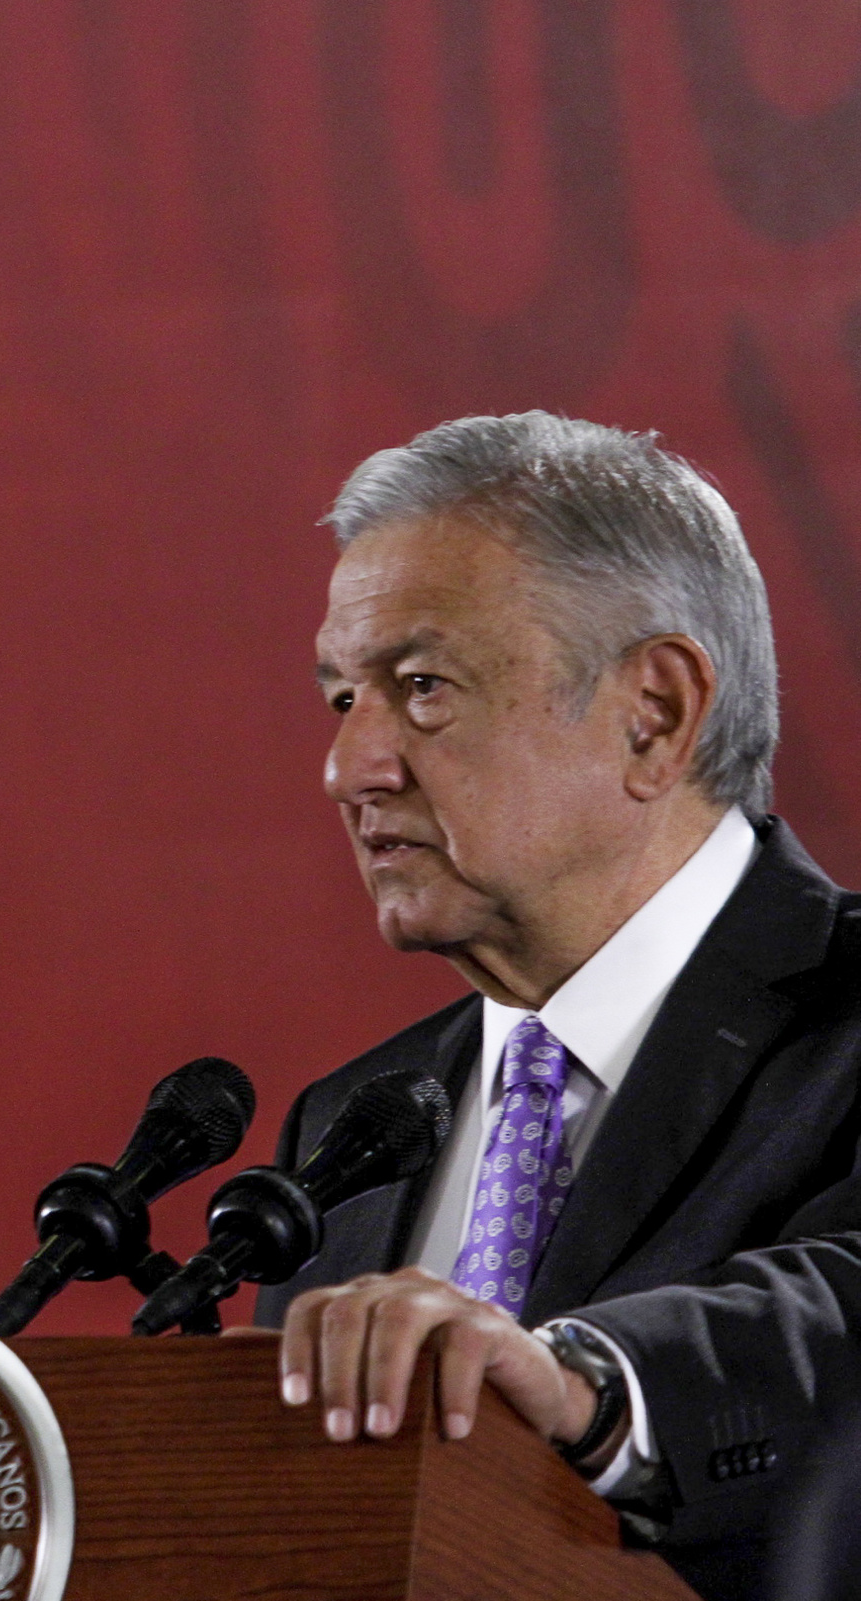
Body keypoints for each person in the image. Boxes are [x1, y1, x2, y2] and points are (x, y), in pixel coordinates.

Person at [261, 413, 861, 1599]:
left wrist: (584, 1381)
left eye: (420, 686)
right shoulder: (347, 1135)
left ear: (654, 709)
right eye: (342, 698)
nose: (350, 767)